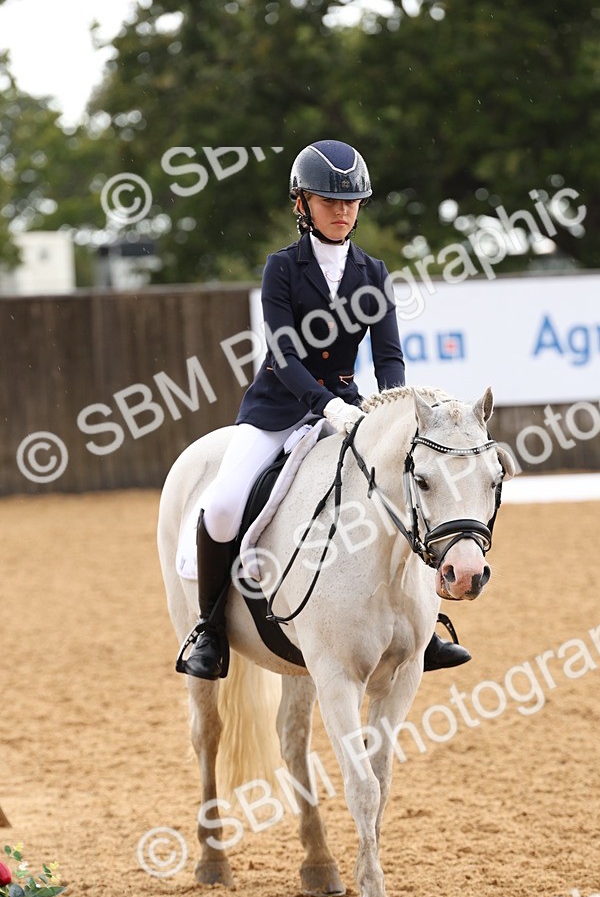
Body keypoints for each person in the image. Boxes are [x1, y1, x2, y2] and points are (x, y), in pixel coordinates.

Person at [177, 138, 471, 681]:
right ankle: (210, 629)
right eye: (329, 201)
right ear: (302, 204)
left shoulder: (373, 272)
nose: (342, 211)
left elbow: (388, 356)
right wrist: (327, 405)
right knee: (220, 507)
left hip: (348, 411)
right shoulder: (282, 270)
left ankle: (423, 628)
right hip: (276, 410)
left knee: (399, 491)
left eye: (352, 201)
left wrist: (395, 411)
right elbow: (285, 353)